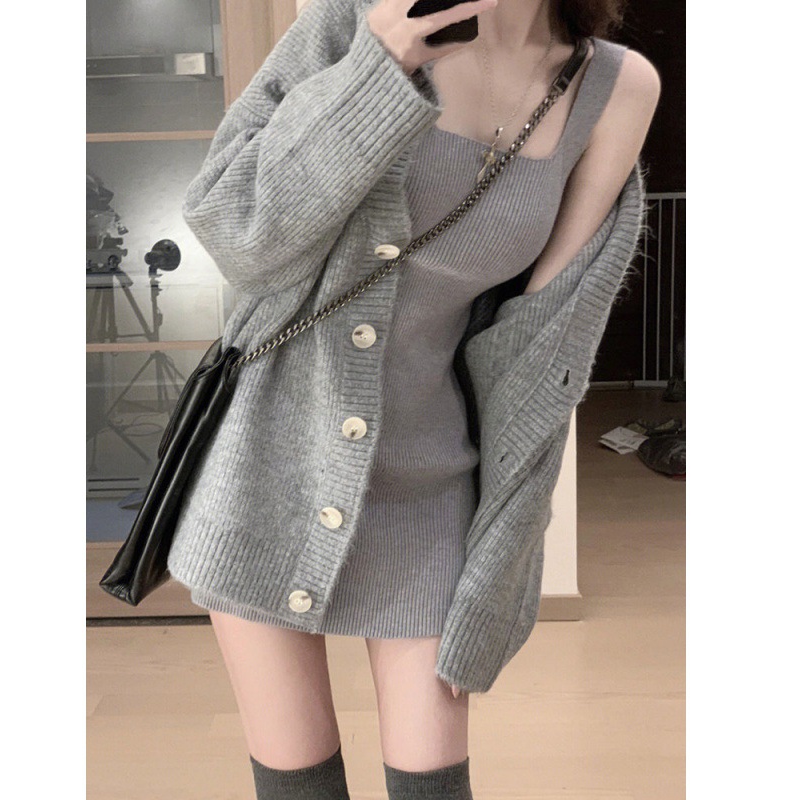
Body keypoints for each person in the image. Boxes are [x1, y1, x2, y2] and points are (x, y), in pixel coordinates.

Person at [167, 0, 660, 797]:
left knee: (433, 784)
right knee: (298, 786)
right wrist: (378, 67)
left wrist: (502, 558)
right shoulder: (354, 21)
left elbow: (539, 358)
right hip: (268, 462)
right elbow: (238, 234)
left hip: (432, 480)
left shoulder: (618, 89)